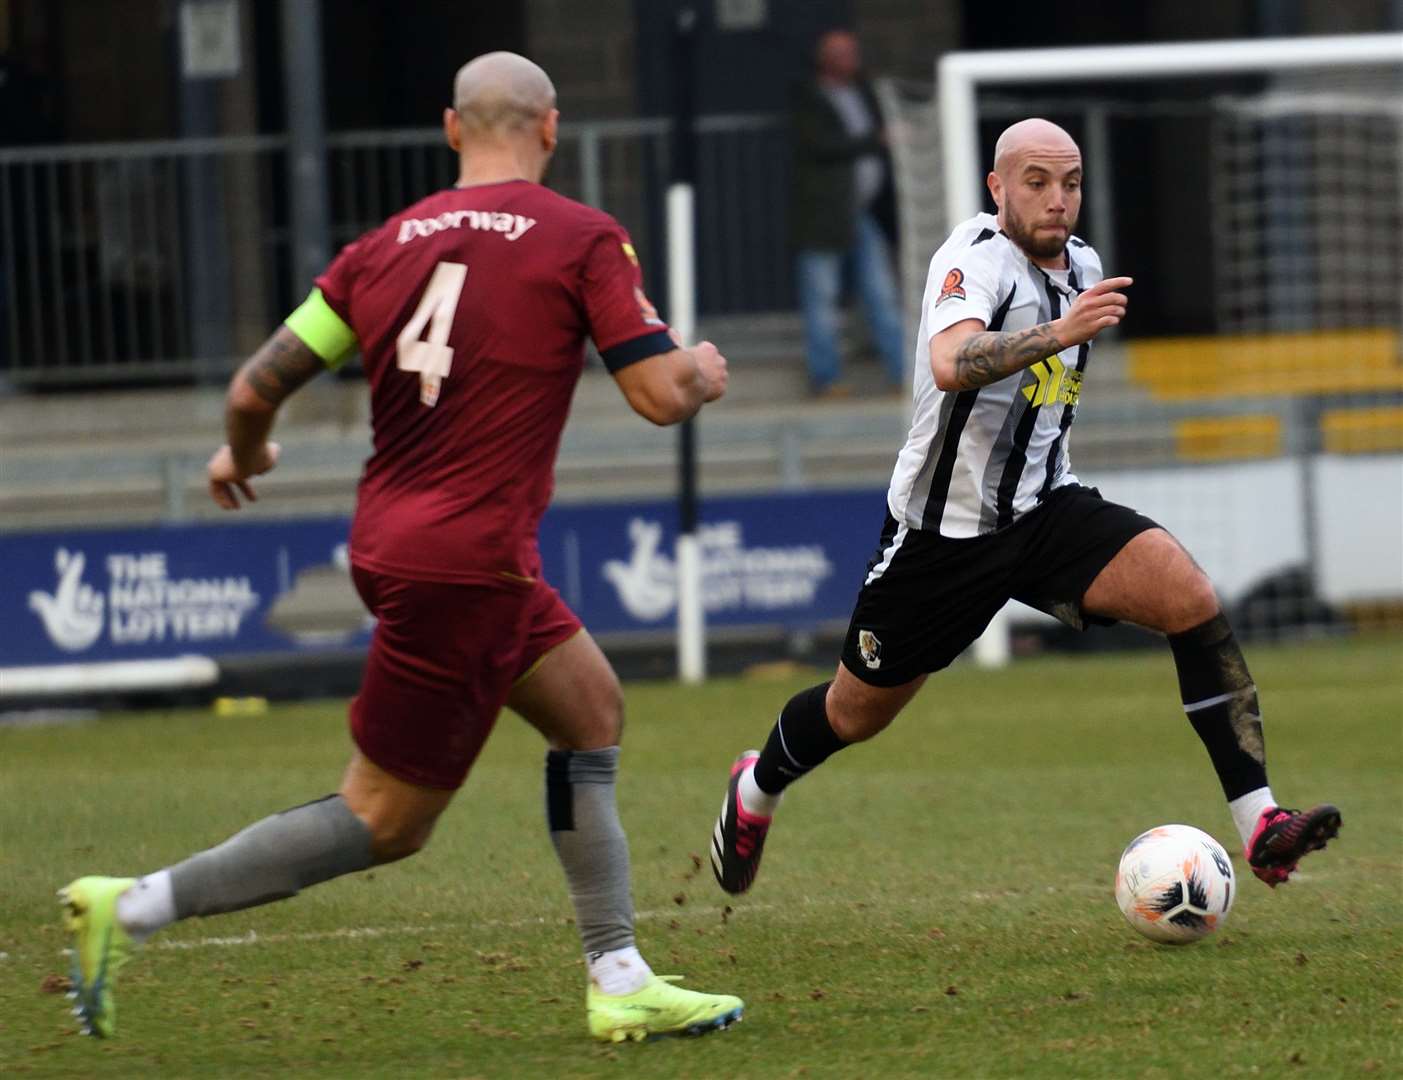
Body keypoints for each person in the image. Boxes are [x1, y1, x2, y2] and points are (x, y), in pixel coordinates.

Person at [59, 52, 742, 1045]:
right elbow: (655, 396)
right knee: (384, 820)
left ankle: (618, 970)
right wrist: (703, 374)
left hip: (403, 543)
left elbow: (255, 386)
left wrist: (242, 455)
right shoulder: (582, 239)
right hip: (468, 563)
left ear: (450, 128)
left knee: (589, 707)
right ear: (550, 129)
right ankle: (127, 908)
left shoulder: (378, 248)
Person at [710, 118, 1340, 898]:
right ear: (997, 188)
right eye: (1036, 182)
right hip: (942, 536)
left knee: (1190, 598)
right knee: (854, 714)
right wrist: (1057, 332)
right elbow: (949, 363)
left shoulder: (1082, 264)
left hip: (1046, 513)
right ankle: (755, 787)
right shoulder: (972, 261)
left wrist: (1063, 331)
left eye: (1070, 183)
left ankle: (1260, 825)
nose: (1057, 199)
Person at [789, 28, 907, 398]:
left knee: (882, 294)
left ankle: (905, 375)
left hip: (862, 211)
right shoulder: (808, 98)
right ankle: (825, 378)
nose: (849, 58)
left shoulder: (864, 93)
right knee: (822, 298)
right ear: (822, 58)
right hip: (822, 216)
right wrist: (876, 140)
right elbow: (822, 145)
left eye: (852, 51)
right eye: (839, 52)